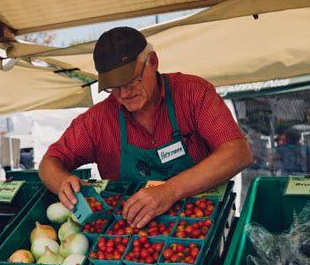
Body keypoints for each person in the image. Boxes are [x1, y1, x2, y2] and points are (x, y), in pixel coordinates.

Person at [39, 27, 253, 228]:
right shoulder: (98, 120)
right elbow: (50, 162)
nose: (123, 94)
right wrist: (63, 183)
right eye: (114, 88)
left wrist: (169, 191)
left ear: (152, 61)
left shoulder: (192, 93)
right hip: (132, 231)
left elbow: (238, 153)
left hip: (202, 221)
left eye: (131, 81)